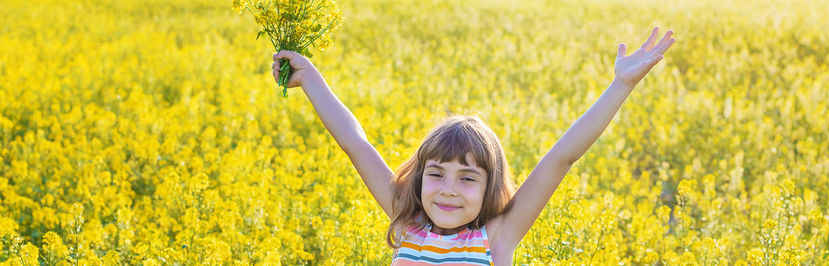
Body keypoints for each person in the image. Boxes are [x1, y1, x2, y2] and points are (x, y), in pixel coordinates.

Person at [271, 26, 676, 265]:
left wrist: (621, 85)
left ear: (489, 188)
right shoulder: (407, 222)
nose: (448, 189)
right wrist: (312, 81)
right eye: (436, 174)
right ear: (420, 179)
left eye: (467, 178)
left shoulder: (497, 237)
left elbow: (561, 156)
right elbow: (355, 144)